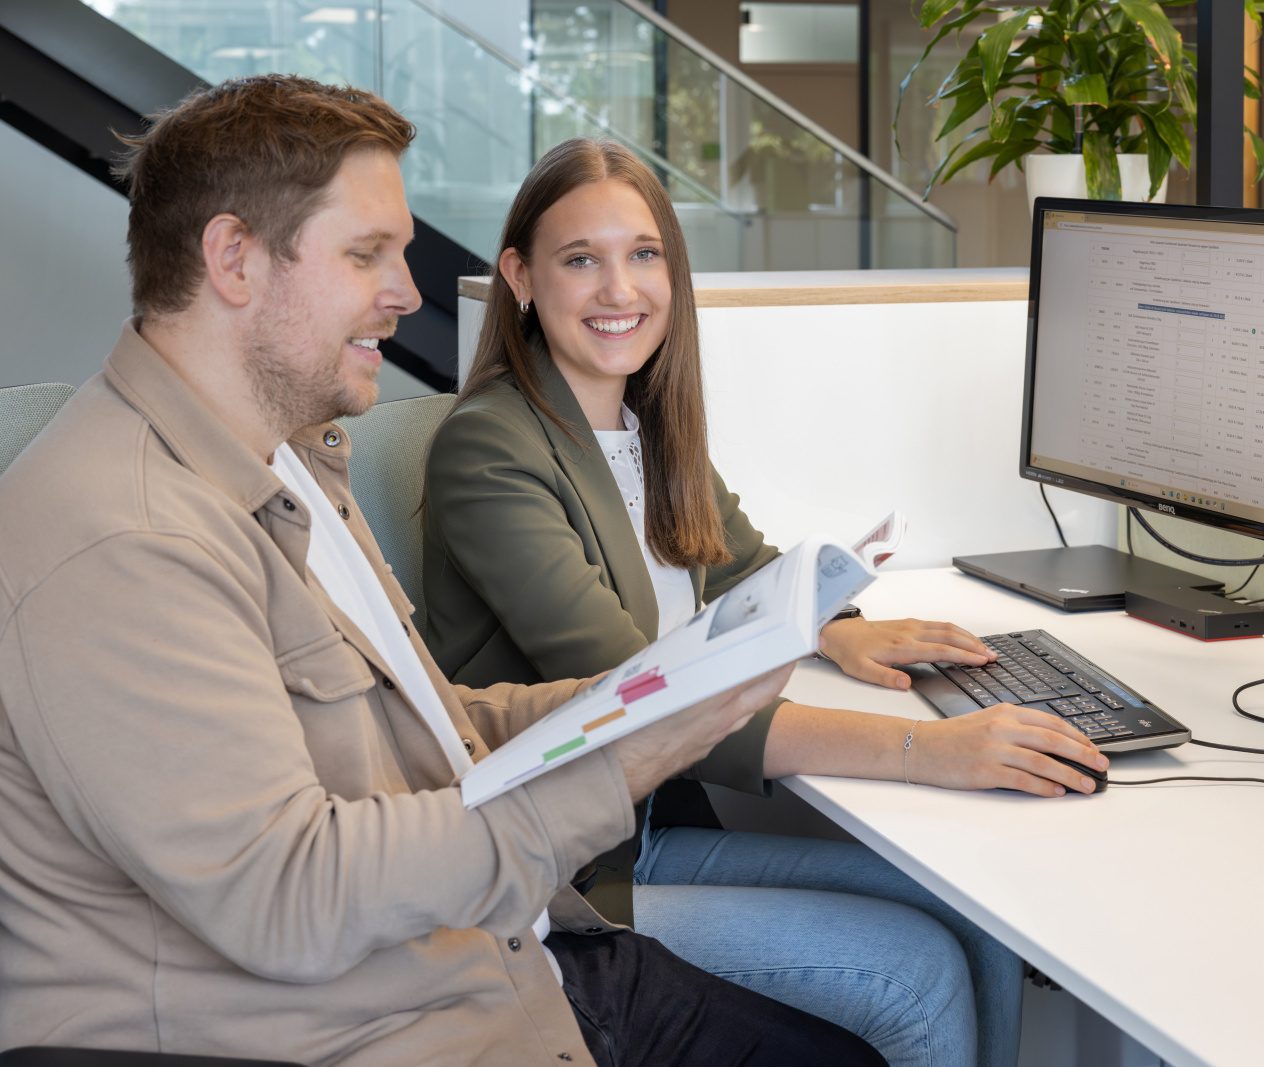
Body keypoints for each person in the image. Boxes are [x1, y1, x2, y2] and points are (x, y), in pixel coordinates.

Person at [0, 76, 892, 1067]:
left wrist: (644, 696)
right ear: (234, 258)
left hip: (494, 959)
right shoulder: (129, 537)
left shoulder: (288, 459)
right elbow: (291, 896)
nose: (408, 294)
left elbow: (437, 730)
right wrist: (632, 753)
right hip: (385, 1023)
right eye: (365, 254)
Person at [421, 138, 1111, 1067]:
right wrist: (926, 748)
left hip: (653, 825)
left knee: (974, 910)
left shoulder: (639, 421)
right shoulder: (491, 449)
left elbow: (737, 564)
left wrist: (845, 628)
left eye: (643, 254)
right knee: (913, 970)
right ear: (521, 278)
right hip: (569, 873)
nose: (618, 289)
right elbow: (647, 699)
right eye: (580, 260)